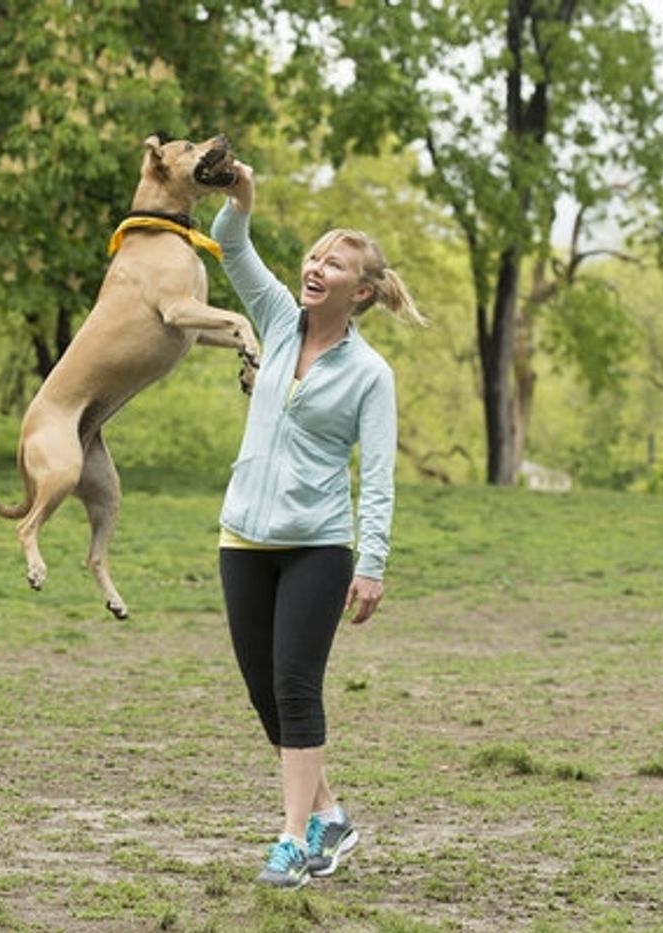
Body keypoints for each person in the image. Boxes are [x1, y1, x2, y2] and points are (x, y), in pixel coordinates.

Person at [210, 162, 427, 889]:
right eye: (313, 256)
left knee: (296, 688)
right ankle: (330, 814)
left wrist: (373, 562)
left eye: (333, 263)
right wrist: (243, 198)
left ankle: (293, 840)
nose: (314, 267)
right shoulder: (277, 320)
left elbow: (380, 476)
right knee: (265, 695)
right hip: (243, 536)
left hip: (319, 545)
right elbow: (230, 246)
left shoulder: (371, 374)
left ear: (360, 291)